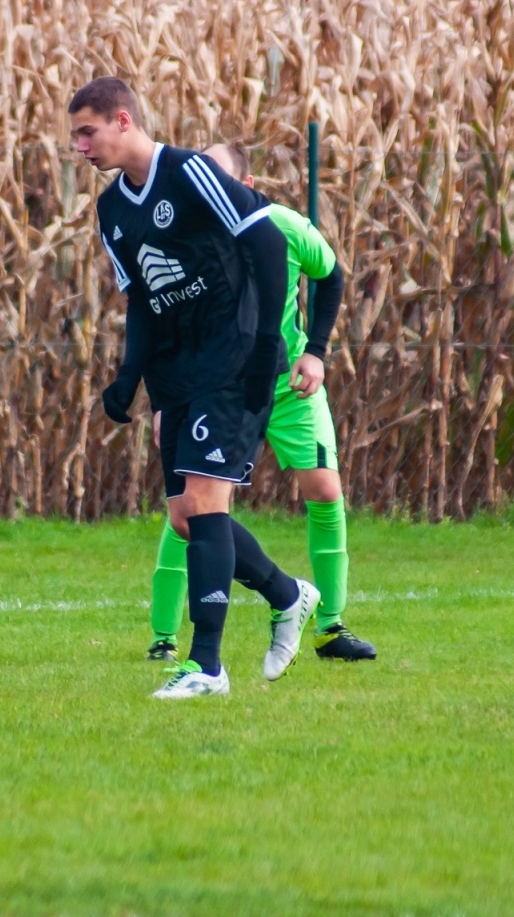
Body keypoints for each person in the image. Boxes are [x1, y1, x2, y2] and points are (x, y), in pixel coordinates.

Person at [71, 76, 319, 699]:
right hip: (178, 373)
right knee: (185, 519)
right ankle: (288, 596)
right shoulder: (110, 211)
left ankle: (207, 666)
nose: (80, 146)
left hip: (233, 358)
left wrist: (267, 342)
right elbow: (144, 301)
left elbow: (263, 238)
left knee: (208, 506)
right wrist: (131, 377)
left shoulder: (186, 172)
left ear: (123, 121)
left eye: (87, 131)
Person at [146, 144, 374, 663]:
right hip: (217, 387)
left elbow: (331, 275)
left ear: (246, 180)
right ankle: (164, 636)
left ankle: (330, 627)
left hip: (287, 382)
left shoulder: (284, 226)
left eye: (220, 180)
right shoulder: (189, 236)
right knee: (194, 504)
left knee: (324, 488)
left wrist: (314, 352)